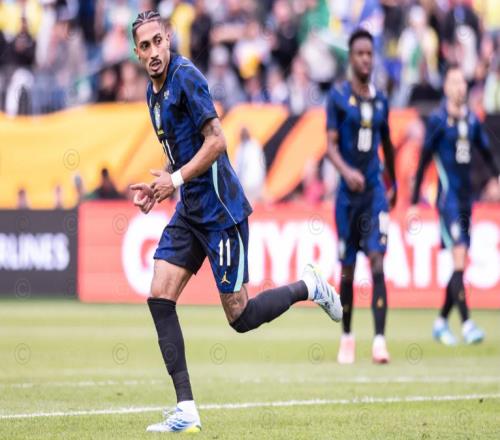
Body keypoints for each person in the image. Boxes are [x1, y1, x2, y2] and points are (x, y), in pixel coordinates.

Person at [129, 10, 342, 434]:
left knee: (239, 316)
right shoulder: (153, 94)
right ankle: (186, 409)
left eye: (158, 41)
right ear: (137, 53)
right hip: (190, 209)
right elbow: (182, 152)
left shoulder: (186, 77)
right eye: (145, 46)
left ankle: (309, 286)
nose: (153, 51)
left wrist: (174, 180)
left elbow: (216, 141)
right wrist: (161, 185)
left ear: (169, 38)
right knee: (159, 295)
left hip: (220, 211)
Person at [411, 65, 500, 346]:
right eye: (455, 82)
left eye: (463, 82)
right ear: (447, 87)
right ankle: (467, 323)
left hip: (466, 201)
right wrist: (413, 201)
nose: (460, 87)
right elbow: (424, 159)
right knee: (459, 256)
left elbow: (486, 151)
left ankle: (440, 322)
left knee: (460, 265)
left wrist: (496, 177)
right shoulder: (438, 120)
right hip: (447, 201)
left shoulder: (471, 120)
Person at [326, 29, 397, 365]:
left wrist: (393, 183)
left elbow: (388, 145)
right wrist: (346, 171)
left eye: (370, 53)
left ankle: (380, 341)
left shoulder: (381, 100)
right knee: (348, 270)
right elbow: (329, 147)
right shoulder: (338, 97)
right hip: (346, 201)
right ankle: (347, 337)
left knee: (378, 261)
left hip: (374, 195)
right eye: (360, 54)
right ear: (351, 58)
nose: (366, 59)